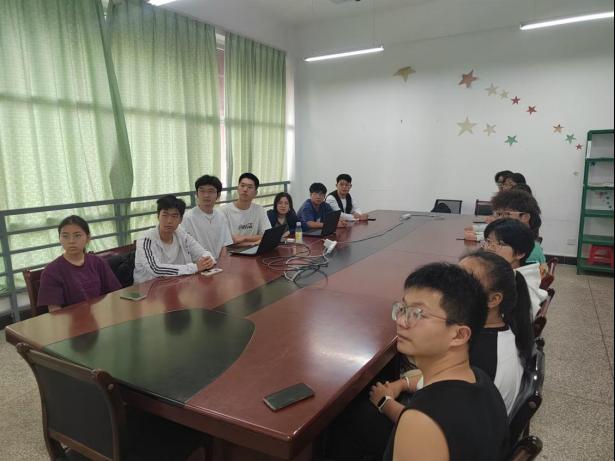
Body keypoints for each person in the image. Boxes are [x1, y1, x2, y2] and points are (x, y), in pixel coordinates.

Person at [372, 263, 509, 461]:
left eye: (417, 314)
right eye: (402, 309)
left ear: (459, 335)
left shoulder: (421, 422)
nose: (400, 321)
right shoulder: (480, 379)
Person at [459, 251, 534, 413]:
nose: (447, 287)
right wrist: (406, 383)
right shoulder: (505, 331)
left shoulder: (478, 355)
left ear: (493, 299)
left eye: (464, 282)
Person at [37, 215, 121, 312]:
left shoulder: (98, 262)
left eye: (77, 235)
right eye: (65, 236)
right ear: (59, 239)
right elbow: (54, 311)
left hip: (101, 315)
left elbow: (115, 294)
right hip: (69, 320)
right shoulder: (51, 271)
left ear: (88, 238)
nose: (71, 241)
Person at [133, 195, 215, 284]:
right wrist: (195, 267)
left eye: (174, 216)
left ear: (181, 220)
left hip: (176, 284)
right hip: (148, 287)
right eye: (165, 215)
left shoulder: (182, 235)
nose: (169, 221)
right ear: (158, 216)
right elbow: (156, 269)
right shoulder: (146, 239)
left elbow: (203, 253)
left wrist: (208, 260)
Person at [483, 218, 548, 317]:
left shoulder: (520, 289)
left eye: (500, 243)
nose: (489, 248)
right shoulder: (506, 273)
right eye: (488, 241)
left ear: (520, 253)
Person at [490, 189, 547, 275]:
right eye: (498, 214)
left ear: (525, 217)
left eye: (507, 214)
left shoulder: (528, 254)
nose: (499, 220)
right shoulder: (519, 243)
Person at [181, 175, 233, 258]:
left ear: (218, 195)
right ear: (197, 194)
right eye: (202, 191)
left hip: (219, 262)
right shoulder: (188, 218)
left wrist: (222, 262)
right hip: (199, 263)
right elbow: (186, 248)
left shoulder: (221, 216)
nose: (206, 195)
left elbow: (225, 244)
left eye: (210, 191)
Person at [221, 173, 271, 246]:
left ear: (255, 193)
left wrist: (244, 238)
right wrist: (254, 242)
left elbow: (268, 236)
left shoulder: (260, 210)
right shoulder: (224, 211)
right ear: (237, 189)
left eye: (250, 187)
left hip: (254, 249)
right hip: (232, 251)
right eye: (242, 185)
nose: (245, 189)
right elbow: (228, 241)